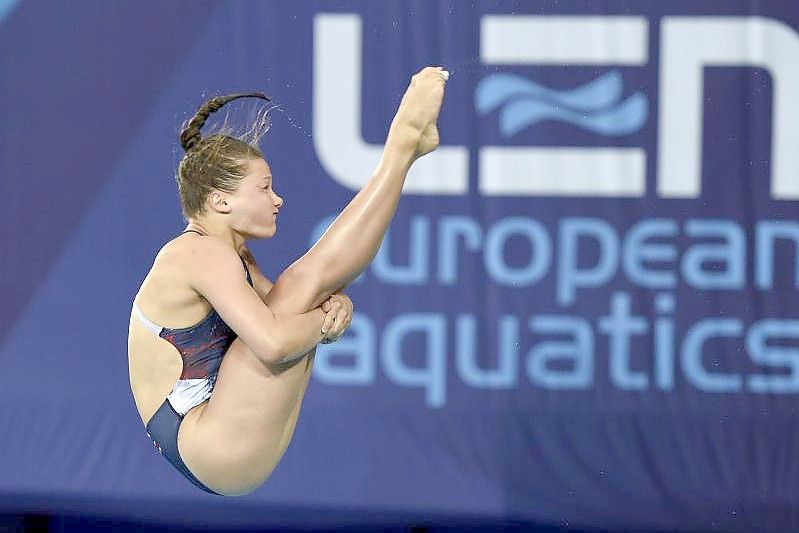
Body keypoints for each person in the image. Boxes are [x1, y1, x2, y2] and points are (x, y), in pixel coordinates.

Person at [128, 66, 449, 496]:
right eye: (264, 188)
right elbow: (276, 342)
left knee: (300, 290)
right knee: (300, 287)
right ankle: (401, 148)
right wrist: (324, 322)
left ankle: (403, 152)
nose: (277, 199)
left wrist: (335, 312)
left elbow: (300, 310)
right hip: (204, 441)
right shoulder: (195, 252)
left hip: (215, 444)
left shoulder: (231, 254)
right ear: (220, 201)